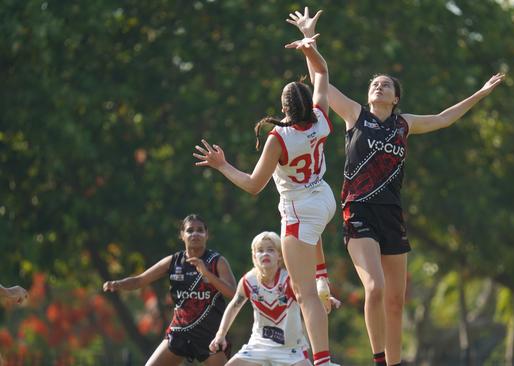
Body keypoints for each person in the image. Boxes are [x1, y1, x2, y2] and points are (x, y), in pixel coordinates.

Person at [288, 7, 505, 366]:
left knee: (395, 299)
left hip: (391, 213)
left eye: (386, 84)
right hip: (358, 211)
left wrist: (480, 94)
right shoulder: (355, 115)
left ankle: (394, 363)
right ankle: (379, 361)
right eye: (375, 83)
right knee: (374, 288)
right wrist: (310, 46)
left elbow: (443, 118)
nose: (378, 85)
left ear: (395, 98)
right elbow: (320, 83)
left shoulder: (404, 125)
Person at [194, 34, 337, 366]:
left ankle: (323, 361)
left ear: (284, 109)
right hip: (325, 199)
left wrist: (222, 165)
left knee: (305, 297)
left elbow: (253, 185)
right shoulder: (322, 116)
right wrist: (309, 46)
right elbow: (323, 74)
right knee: (311, 248)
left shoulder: (279, 138)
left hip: (300, 210)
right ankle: (322, 275)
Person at [103, 214, 237, 366]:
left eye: (200, 230)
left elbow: (233, 294)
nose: (195, 234)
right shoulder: (173, 261)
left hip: (210, 336)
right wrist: (118, 284)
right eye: (190, 230)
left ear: (207, 234)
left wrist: (206, 274)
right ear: (182, 235)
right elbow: (140, 280)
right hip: (179, 333)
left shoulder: (217, 261)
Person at [209, 231, 339, 366]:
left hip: (290, 349)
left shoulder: (290, 280)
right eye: (260, 250)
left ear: (280, 256)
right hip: (258, 346)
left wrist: (322, 299)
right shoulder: (248, 281)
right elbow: (233, 307)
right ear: (254, 256)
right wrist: (221, 334)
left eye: (270, 250)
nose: (265, 253)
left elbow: (309, 297)